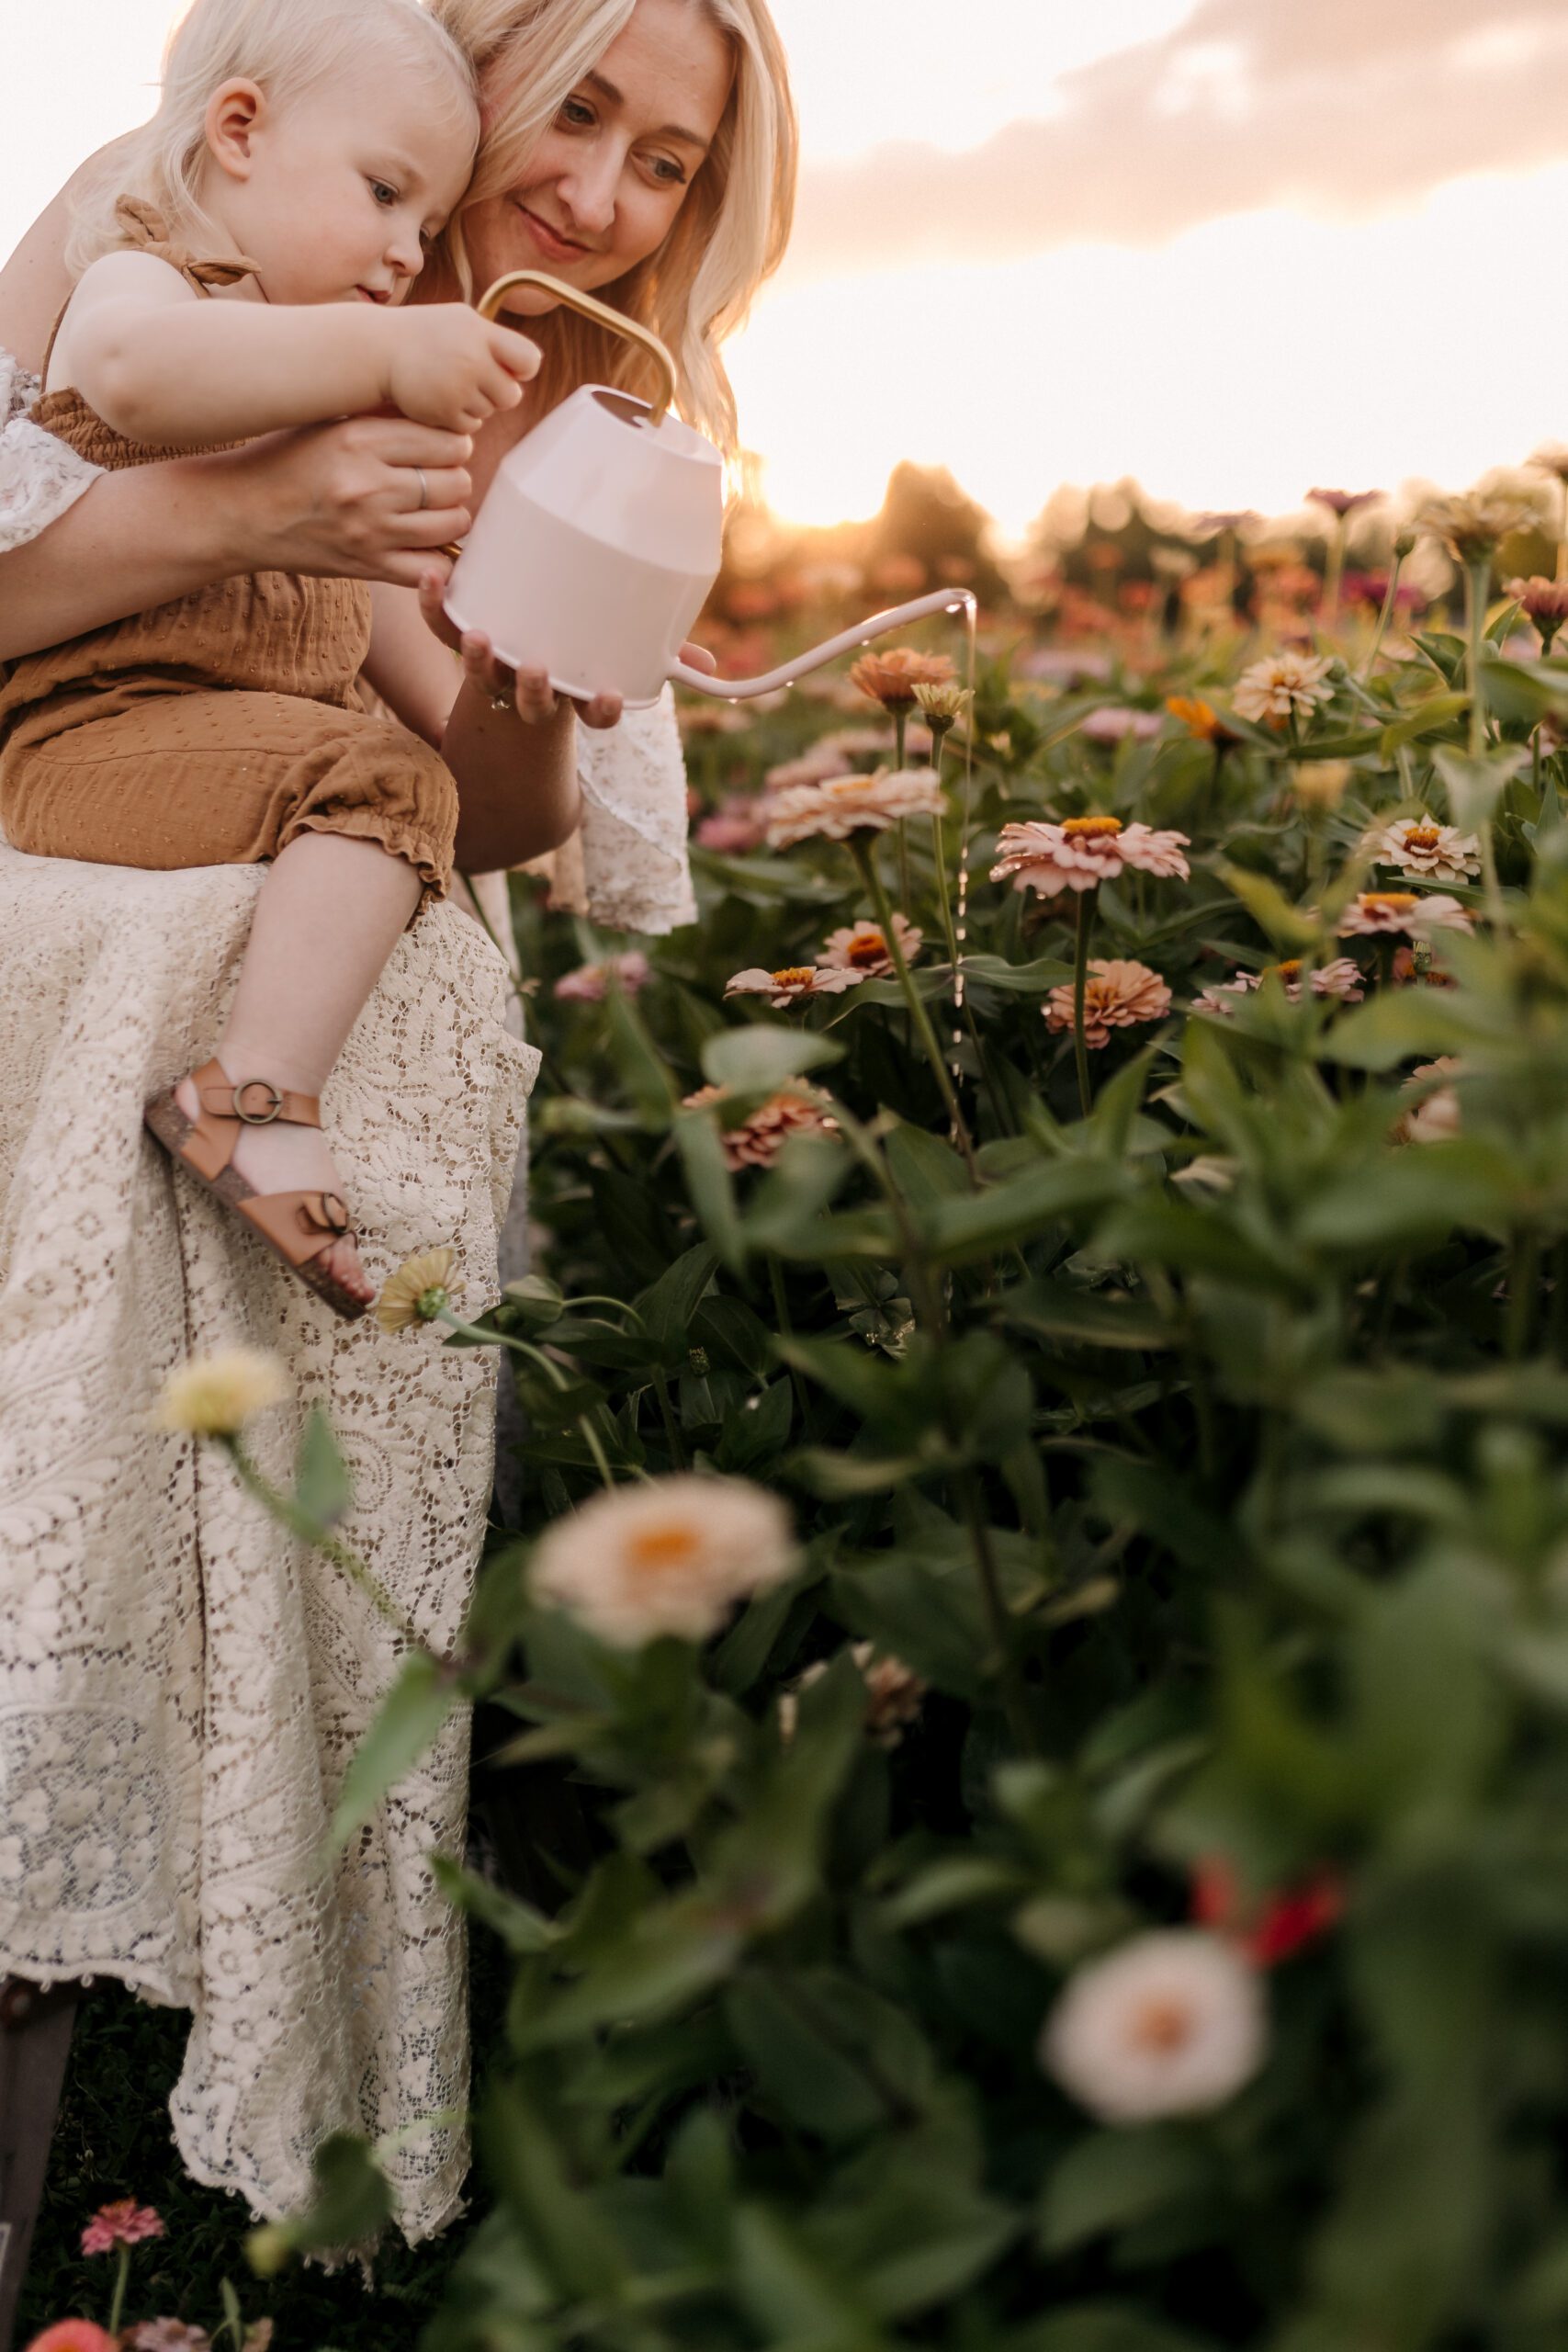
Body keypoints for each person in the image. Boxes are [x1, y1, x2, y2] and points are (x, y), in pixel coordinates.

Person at [0, 0, 797, 2245]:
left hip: (308, 863)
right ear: (472, 84)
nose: (608, 196)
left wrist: (543, 690)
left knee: (386, 978)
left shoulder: (562, 399)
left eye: (671, 166)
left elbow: (497, 800)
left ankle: (182, 2071)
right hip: (81, 828)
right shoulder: (206, 241)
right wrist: (290, 477)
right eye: (584, 117)